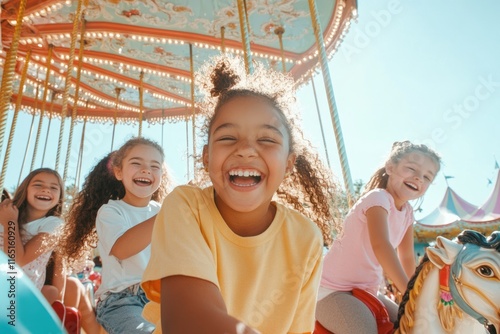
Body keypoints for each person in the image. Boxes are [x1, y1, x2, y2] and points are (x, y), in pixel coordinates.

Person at [141, 56, 341, 334]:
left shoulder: (306, 238)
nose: (246, 149)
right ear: (206, 157)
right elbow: (189, 320)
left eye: (267, 139)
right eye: (228, 138)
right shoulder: (187, 207)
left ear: (288, 163)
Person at [316, 141, 441, 333]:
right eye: (411, 169)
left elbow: (406, 256)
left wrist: (417, 293)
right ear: (390, 167)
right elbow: (381, 245)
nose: (418, 178)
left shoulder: (407, 213)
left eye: (427, 177)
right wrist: (409, 292)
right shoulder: (378, 199)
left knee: (412, 323)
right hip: (332, 289)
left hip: (367, 290)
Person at [58, 137, 170, 333]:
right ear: (118, 172)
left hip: (162, 297)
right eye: (136, 163)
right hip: (122, 300)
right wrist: (167, 214)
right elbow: (122, 249)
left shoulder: (162, 211)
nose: (146, 170)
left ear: (161, 175)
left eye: (155, 166)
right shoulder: (111, 211)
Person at [0, 168, 65, 305]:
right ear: (25, 190)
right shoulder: (5, 214)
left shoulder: (54, 225)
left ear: (59, 197)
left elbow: (16, 261)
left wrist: (10, 222)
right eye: (38, 185)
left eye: (53, 187)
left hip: (19, 294)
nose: (46, 190)